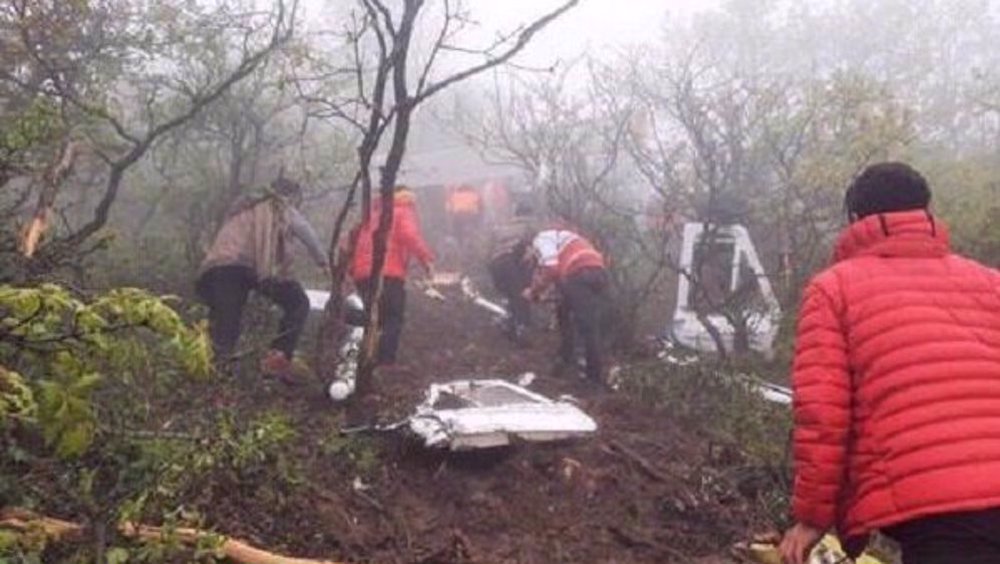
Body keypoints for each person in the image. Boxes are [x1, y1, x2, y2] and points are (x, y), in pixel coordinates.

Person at [779, 162, 1000, 564]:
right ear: (925, 211)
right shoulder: (991, 283)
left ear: (856, 218)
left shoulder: (834, 290)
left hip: (940, 509)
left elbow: (823, 416)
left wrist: (812, 516)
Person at [197, 177, 328, 380]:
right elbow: (305, 232)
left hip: (215, 268)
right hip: (246, 265)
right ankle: (277, 357)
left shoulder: (243, 207)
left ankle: (212, 374)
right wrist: (324, 263)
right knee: (298, 302)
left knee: (224, 322)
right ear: (289, 196)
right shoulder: (278, 205)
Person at [349, 186, 435, 369]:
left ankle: (363, 358)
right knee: (392, 317)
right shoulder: (401, 211)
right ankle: (385, 362)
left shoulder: (370, 216)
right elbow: (409, 235)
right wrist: (426, 259)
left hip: (363, 275)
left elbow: (353, 243)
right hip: (388, 273)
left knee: (372, 316)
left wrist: (352, 271)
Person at [523, 226, 610, 383]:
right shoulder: (566, 238)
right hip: (598, 272)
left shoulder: (541, 239)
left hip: (578, 273)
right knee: (565, 314)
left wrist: (534, 291)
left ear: (530, 246)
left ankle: (593, 377)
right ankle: (566, 362)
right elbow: (559, 277)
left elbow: (551, 267)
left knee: (586, 327)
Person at [487, 202, 537, 343]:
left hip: (495, 263)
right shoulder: (530, 227)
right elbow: (534, 249)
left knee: (508, 294)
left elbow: (489, 249)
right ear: (530, 215)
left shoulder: (503, 227)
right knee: (521, 294)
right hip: (512, 262)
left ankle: (509, 322)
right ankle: (522, 328)